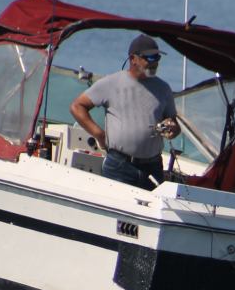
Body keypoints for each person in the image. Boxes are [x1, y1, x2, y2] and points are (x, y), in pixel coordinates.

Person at [70, 34, 181, 190]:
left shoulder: (163, 88)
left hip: (153, 166)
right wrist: (99, 134)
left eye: (157, 57)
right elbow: (77, 106)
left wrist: (173, 128)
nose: (154, 62)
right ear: (133, 59)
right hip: (119, 166)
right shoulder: (111, 83)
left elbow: (174, 122)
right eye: (149, 58)